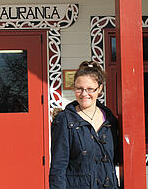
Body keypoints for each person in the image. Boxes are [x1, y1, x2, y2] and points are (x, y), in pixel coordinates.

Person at [49, 60, 119, 189]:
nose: (84, 94)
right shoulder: (64, 120)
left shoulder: (110, 120)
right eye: (79, 89)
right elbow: (58, 168)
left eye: (90, 89)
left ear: (100, 89)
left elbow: (114, 159)